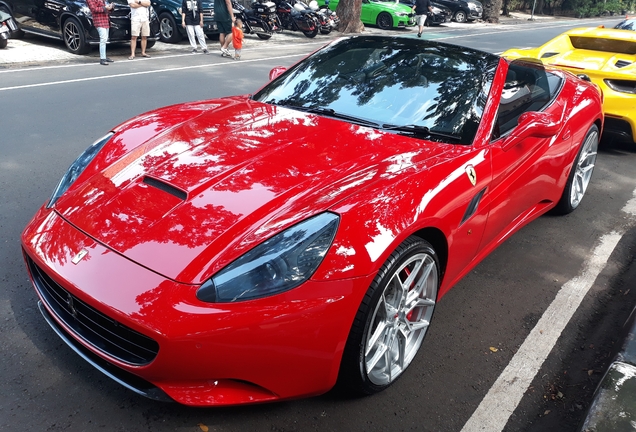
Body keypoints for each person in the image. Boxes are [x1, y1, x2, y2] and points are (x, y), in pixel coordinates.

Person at [86, 0, 115, 65]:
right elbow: (94, 9)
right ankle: (102, 59)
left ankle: (104, 56)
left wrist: (110, 8)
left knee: (105, 39)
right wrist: (105, 8)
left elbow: (105, 9)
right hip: (99, 21)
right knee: (103, 39)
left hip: (105, 20)